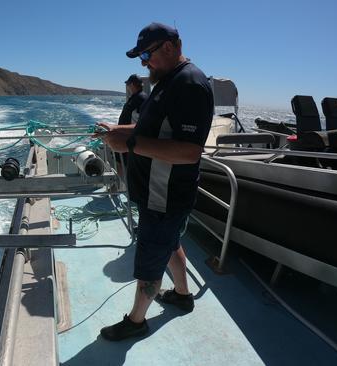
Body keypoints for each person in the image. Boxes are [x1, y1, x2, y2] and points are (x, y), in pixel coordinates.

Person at [97, 22, 214, 341]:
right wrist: (119, 132)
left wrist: (130, 145)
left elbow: (189, 151)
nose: (144, 63)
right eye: (140, 57)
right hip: (157, 194)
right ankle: (182, 294)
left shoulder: (189, 84)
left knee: (150, 257)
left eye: (147, 54)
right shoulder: (167, 81)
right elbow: (155, 131)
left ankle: (136, 321)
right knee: (170, 242)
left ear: (170, 46)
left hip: (163, 196)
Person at [114, 75, 147, 174]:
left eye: (128, 84)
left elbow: (142, 121)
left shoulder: (141, 98)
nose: (127, 86)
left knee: (127, 163)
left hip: (130, 137)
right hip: (126, 135)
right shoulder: (136, 97)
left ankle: (122, 186)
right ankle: (120, 185)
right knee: (121, 160)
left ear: (132, 84)